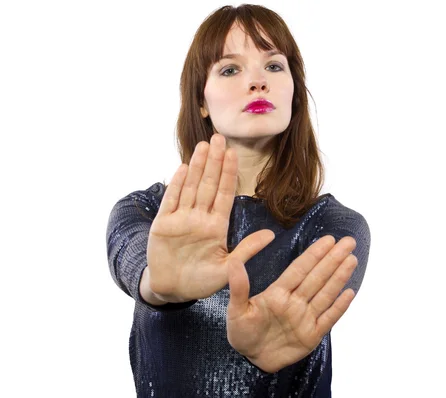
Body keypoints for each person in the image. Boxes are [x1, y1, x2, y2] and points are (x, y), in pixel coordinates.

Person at [105, 4, 371, 397]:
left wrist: (262, 347)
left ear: (294, 92)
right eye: (230, 69)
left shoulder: (334, 225)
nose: (258, 82)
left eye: (274, 66)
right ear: (201, 101)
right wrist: (160, 287)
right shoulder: (144, 211)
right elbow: (134, 262)